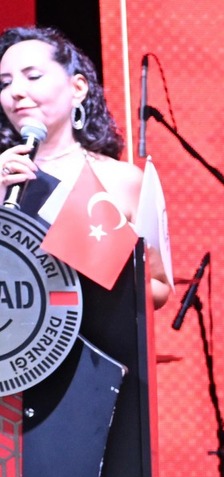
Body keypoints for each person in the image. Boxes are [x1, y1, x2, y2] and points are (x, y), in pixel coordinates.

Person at [0, 26, 171, 307]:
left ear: (77, 88)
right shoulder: (4, 176)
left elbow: (159, 290)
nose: (15, 91)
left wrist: (110, 261)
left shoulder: (121, 179)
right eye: (5, 83)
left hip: (93, 335)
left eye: (33, 76)